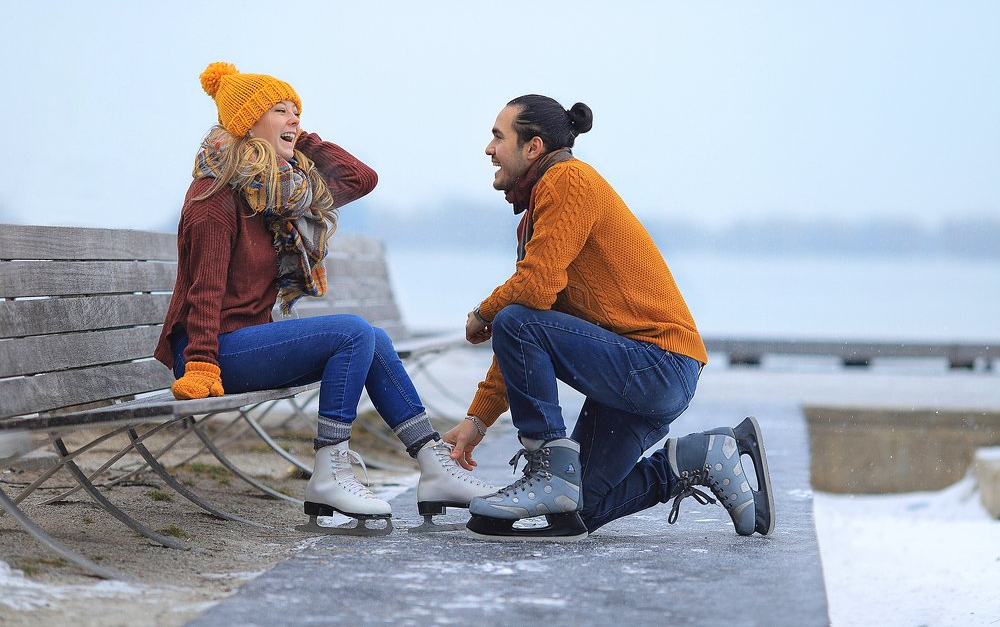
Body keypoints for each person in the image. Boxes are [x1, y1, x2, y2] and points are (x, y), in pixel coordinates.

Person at [154, 62, 495, 535]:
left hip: (247, 341)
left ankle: (433, 467)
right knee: (352, 332)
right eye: (280, 110)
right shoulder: (215, 197)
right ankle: (330, 470)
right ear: (245, 123)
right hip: (209, 354)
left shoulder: (278, 193)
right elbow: (204, 291)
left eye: (298, 110)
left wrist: (298, 137)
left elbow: (360, 178)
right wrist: (202, 365)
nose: (294, 119)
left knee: (370, 337)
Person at [443, 95, 774, 541]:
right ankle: (707, 455)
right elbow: (530, 323)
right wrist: (477, 420)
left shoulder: (566, 181)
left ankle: (548, 472)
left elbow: (528, 300)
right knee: (580, 510)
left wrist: (482, 312)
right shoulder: (545, 206)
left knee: (515, 319)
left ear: (533, 147)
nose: (488, 149)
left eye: (498, 137)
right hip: (641, 373)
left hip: (657, 364)